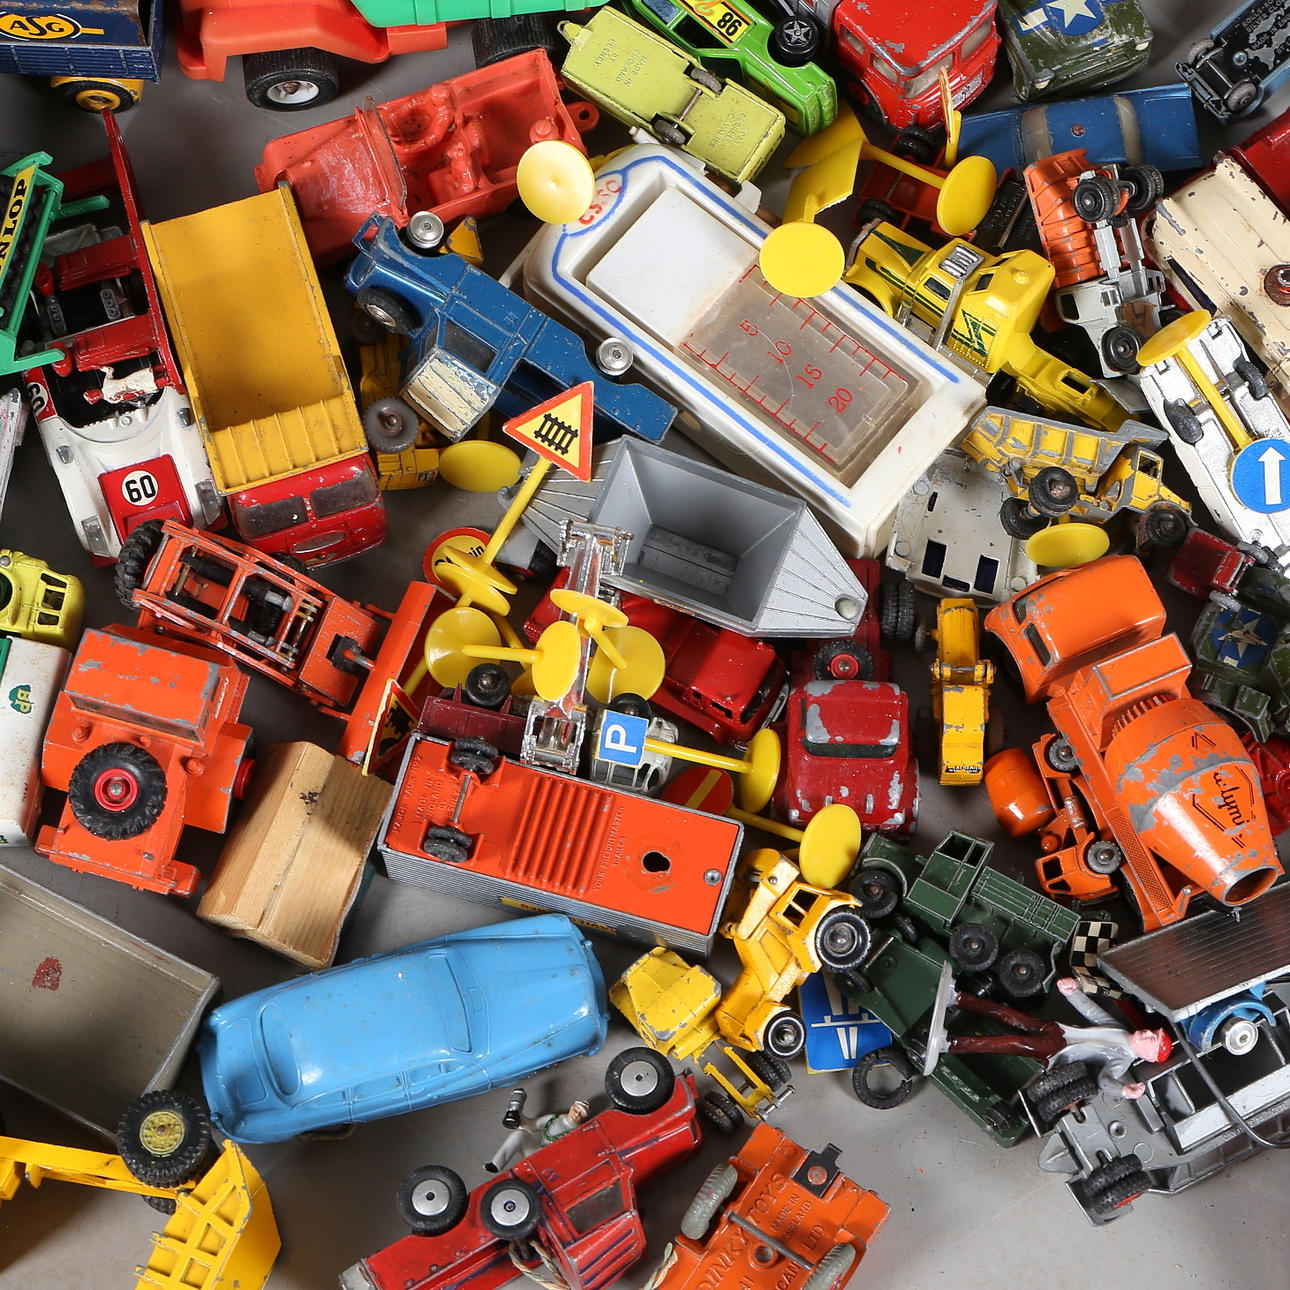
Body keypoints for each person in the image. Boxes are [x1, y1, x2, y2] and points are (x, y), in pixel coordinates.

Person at [923, 962, 1172, 1099]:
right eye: (1154, 1032)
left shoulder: (1122, 1061)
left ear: (1149, 1056)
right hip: (1058, 1031)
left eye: (1153, 1039)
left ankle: (950, 1044)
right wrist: (1073, 993)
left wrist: (1123, 1090)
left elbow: (1104, 1081)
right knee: (1011, 1016)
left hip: (1057, 1050)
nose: (1148, 1033)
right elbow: (1094, 1013)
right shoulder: (1121, 1029)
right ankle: (958, 998)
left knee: (1010, 1042)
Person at [485, 1088, 590, 1174]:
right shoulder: (553, 1118)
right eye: (576, 1110)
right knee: (520, 1135)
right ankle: (496, 1164)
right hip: (537, 1151)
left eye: (581, 1114)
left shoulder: (578, 1132)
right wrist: (519, 1117)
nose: (577, 1114)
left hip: (552, 1161)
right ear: (572, 1107)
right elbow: (533, 1125)